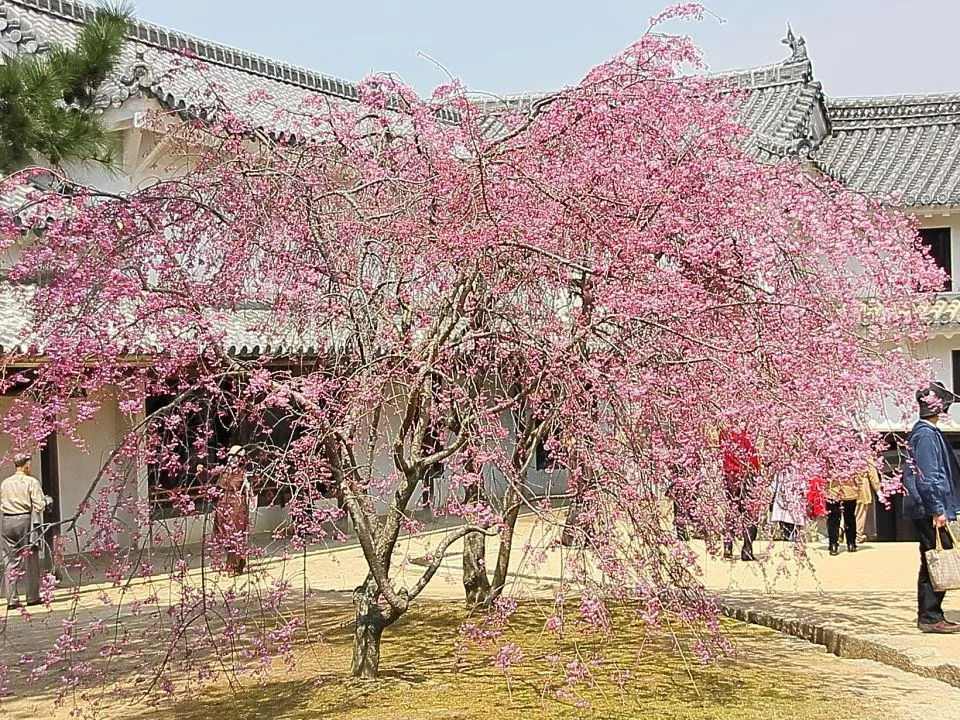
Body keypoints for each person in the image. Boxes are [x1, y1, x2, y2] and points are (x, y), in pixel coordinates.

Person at [903, 381, 960, 634]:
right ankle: (929, 615)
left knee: (932, 558)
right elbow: (929, 475)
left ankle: (931, 613)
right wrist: (938, 508)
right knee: (935, 557)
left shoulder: (925, 432)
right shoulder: (925, 434)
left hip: (929, 505)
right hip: (929, 507)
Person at [1, 454, 50, 609]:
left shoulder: (5, 483)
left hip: (7, 521)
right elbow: (39, 505)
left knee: (10, 560)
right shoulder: (31, 482)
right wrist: (47, 500)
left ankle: (12, 600)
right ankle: (32, 596)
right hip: (25, 521)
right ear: (27, 465)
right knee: (31, 558)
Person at [721, 427, 761, 561]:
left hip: (729, 475)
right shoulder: (747, 433)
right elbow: (754, 458)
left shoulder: (724, 431)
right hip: (746, 473)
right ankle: (747, 549)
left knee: (732, 511)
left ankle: (727, 545)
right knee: (749, 513)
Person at [212, 446, 253, 577]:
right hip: (223, 504)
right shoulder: (224, 472)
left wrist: (248, 484)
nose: (231, 459)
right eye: (230, 456)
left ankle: (233, 566)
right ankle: (240, 560)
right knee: (223, 534)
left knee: (235, 533)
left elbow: (247, 488)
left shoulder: (244, 474)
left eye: (235, 457)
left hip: (237, 505)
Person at [826, 473, 858, 555]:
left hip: (834, 490)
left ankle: (833, 544)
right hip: (845, 489)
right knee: (849, 517)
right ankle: (851, 543)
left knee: (833, 518)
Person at [771, 468, 807, 542]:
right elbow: (775, 482)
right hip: (782, 494)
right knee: (784, 517)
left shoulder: (799, 468)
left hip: (795, 494)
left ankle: (792, 534)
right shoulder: (781, 469)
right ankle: (785, 534)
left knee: (793, 517)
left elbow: (803, 483)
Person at [856, 463, 881, 545]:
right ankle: (858, 535)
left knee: (846, 511)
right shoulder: (866, 457)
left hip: (847, 486)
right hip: (862, 486)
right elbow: (873, 475)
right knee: (860, 512)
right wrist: (878, 490)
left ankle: (841, 530)